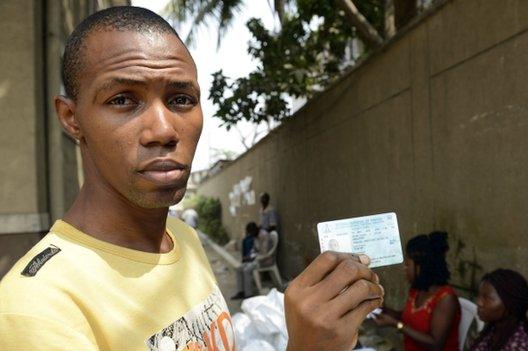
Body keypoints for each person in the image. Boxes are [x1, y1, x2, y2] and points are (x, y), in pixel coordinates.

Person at [0, 6, 383, 351]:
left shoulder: (180, 237)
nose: (163, 129)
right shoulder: (36, 310)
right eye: (123, 99)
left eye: (181, 99)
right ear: (72, 118)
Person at [374, 231, 461, 351]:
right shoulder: (417, 290)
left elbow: (435, 344)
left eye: (408, 265)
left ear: (422, 267)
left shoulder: (446, 298)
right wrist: (383, 310)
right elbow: (410, 317)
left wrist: (396, 324)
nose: (405, 269)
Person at [469, 269, 528, 351]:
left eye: (487, 298)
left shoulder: (518, 347)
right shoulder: (493, 331)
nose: (479, 302)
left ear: (510, 304)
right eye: (479, 296)